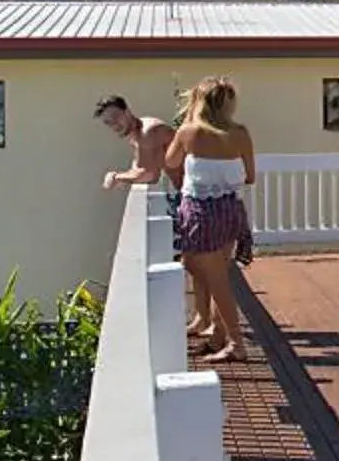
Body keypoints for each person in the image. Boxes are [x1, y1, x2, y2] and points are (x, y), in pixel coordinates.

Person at [167, 76, 257, 361]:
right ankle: (215, 332)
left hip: (201, 211)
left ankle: (236, 343)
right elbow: (250, 176)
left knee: (214, 277)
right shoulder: (240, 133)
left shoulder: (189, 132)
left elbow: (170, 161)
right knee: (207, 268)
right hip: (230, 210)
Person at [97, 97, 175, 190]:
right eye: (108, 122)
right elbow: (138, 170)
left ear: (127, 112)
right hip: (179, 193)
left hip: (191, 195)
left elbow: (149, 175)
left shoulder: (148, 132)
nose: (114, 124)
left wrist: (116, 177)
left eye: (115, 117)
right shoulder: (135, 136)